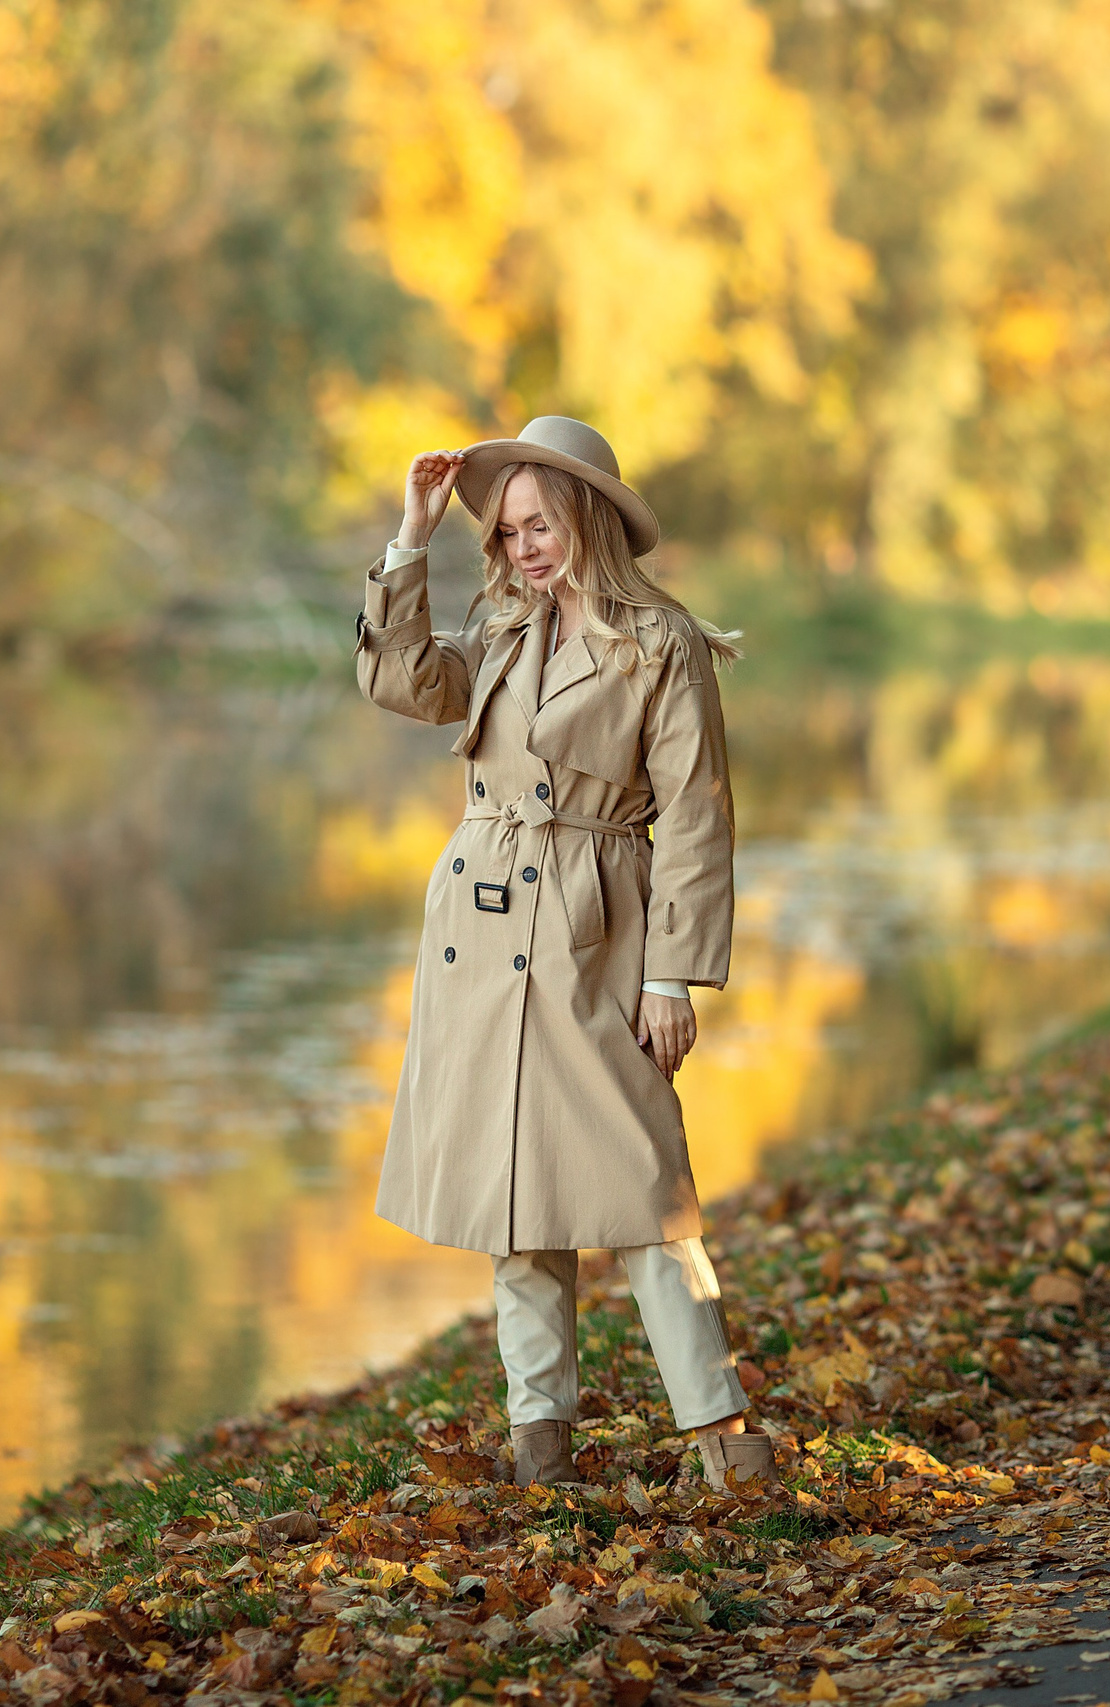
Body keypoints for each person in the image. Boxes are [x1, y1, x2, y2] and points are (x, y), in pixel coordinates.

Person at [352, 415, 775, 1493]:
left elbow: (693, 818)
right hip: (485, 927)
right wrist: (412, 537)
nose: (522, 546)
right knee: (512, 1193)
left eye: (538, 524)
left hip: (600, 927)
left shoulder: (661, 644)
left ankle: (718, 1432)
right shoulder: (503, 626)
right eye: (504, 532)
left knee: (643, 1183)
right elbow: (401, 683)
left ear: (584, 516)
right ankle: (537, 1435)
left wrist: (671, 973)